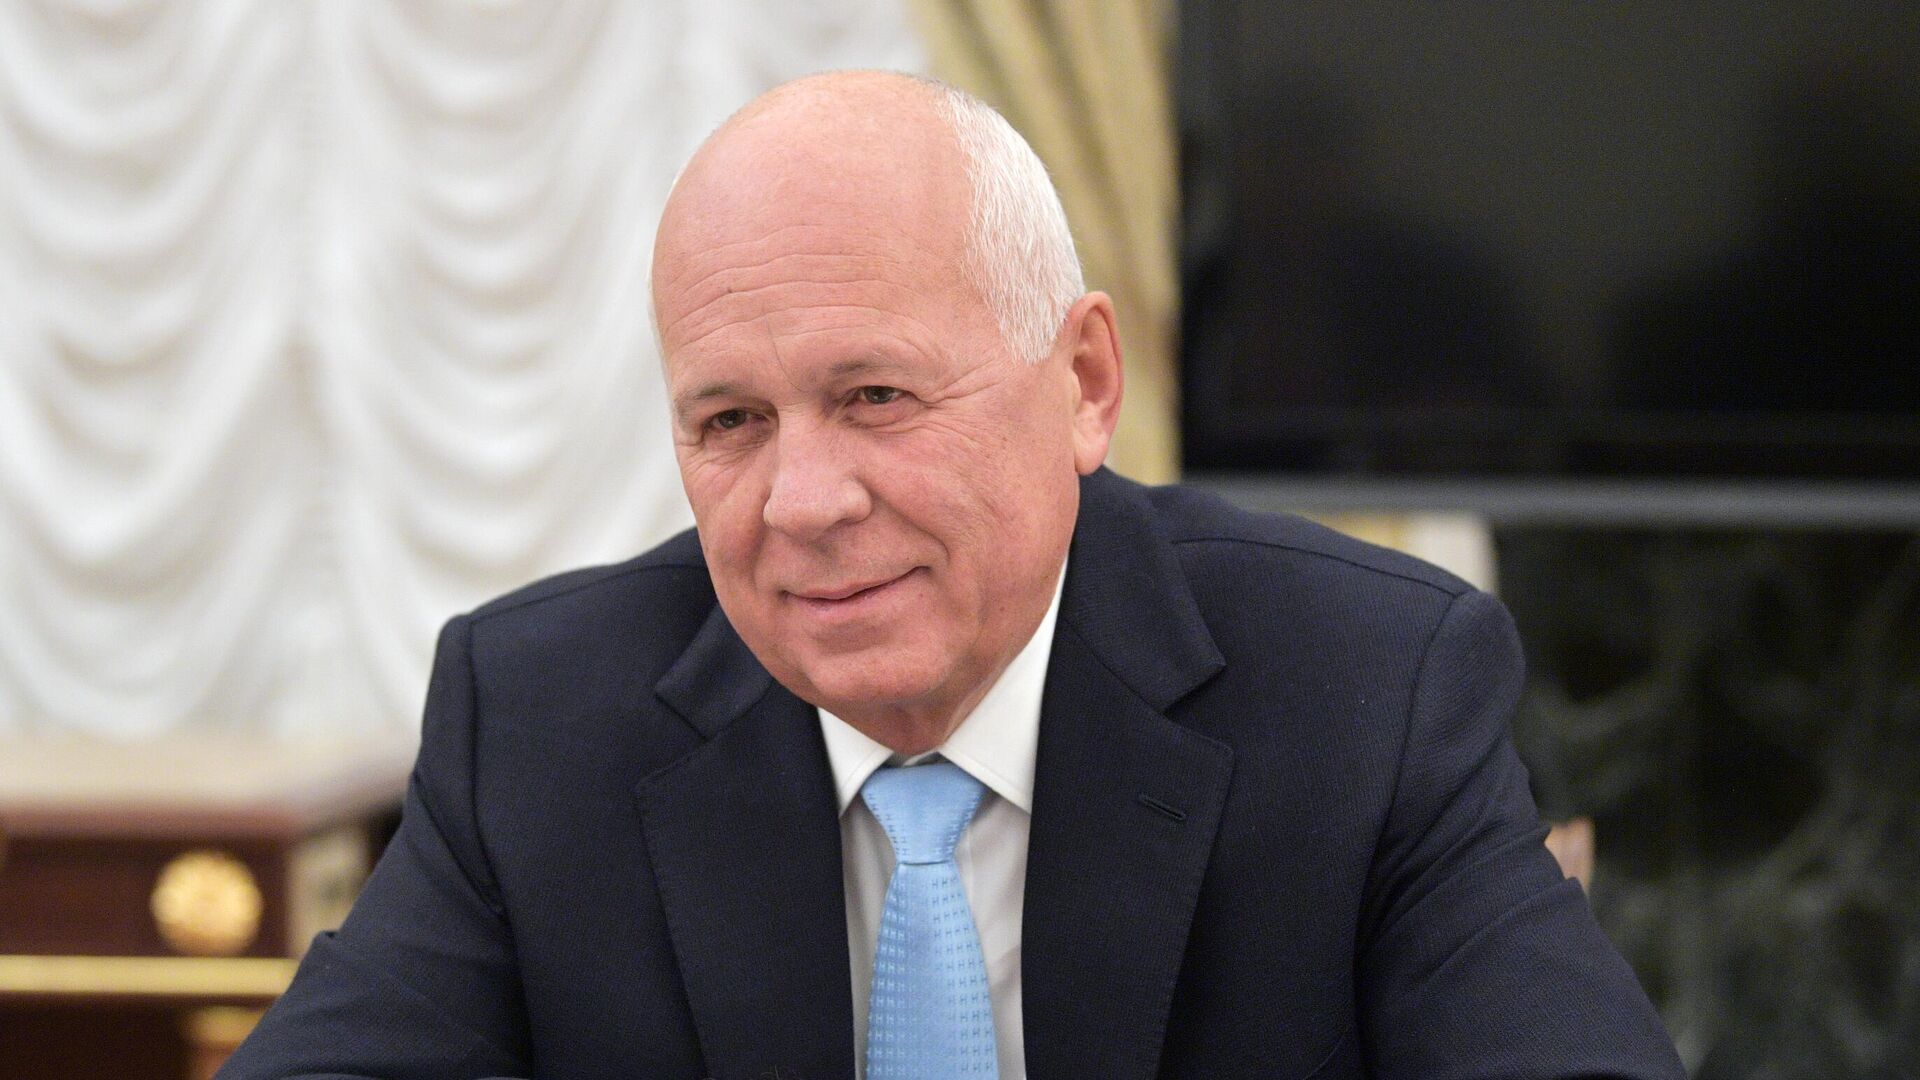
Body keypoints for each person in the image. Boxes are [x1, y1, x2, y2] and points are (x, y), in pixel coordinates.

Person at [220, 71, 1684, 1080]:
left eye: (876, 398)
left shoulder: (1367, 689)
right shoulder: (539, 720)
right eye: (731, 422)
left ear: (1084, 384)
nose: (802, 503)